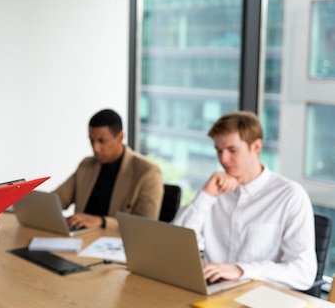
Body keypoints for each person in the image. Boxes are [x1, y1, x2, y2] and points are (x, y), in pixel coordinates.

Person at [172, 111, 316, 290]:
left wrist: (242, 270)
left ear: (256, 146)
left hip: (258, 296)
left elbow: (303, 273)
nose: (223, 159)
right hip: (210, 292)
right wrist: (206, 195)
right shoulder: (215, 189)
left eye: (232, 150)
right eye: (219, 151)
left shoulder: (290, 196)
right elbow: (175, 245)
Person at [53, 109, 163, 232]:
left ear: (120, 137)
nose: (96, 149)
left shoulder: (147, 173)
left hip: (114, 243)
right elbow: (57, 199)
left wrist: (102, 221)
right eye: (91, 140)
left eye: (102, 141)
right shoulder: (87, 165)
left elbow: (146, 226)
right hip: (79, 237)